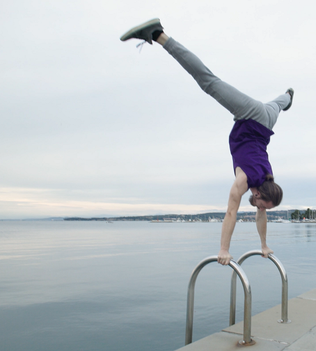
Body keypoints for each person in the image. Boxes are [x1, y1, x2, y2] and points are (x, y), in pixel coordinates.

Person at [120, 19, 294, 265]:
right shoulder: (243, 181)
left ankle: (288, 96)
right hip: (251, 116)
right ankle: (158, 34)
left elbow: (261, 215)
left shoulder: (268, 179)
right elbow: (231, 213)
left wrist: (264, 245)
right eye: (261, 203)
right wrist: (224, 249)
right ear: (257, 193)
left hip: (268, 122)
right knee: (208, 82)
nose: (259, 207)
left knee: (278, 103)